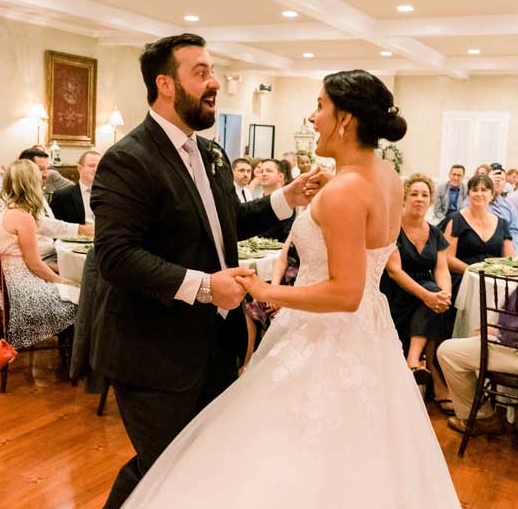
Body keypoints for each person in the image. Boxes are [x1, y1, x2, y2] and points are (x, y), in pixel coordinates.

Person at [121, 69, 460, 508]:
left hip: (323, 338)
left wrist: (264, 290)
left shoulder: (345, 192)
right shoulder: (386, 178)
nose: (312, 117)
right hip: (368, 338)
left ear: (345, 119)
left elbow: (345, 292)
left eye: (320, 106)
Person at [90, 33, 321, 508]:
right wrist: (204, 287)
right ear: (166, 85)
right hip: (152, 351)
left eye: (212, 70)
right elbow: (116, 256)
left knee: (201, 465)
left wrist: (286, 198)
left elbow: (223, 225)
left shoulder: (209, 153)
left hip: (214, 346)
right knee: (163, 468)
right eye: (201, 72)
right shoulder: (129, 159)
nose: (214, 82)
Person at [381, 173, 454, 413]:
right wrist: (430, 296)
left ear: (431, 200)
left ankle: (413, 362)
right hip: (396, 293)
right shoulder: (391, 228)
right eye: (414, 194)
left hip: (426, 297)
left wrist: (445, 295)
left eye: (424, 195)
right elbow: (394, 271)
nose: (419, 199)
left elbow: (442, 270)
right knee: (432, 300)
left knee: (437, 299)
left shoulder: (435, 234)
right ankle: (428, 372)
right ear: (404, 198)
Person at [0, 159, 77, 349]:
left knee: (74, 289)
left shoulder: (6, 211)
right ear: (31, 184)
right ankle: (78, 358)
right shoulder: (23, 217)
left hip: (10, 287)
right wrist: (62, 281)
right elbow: (35, 265)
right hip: (23, 293)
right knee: (82, 298)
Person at [444, 174, 514, 301]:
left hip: (495, 281)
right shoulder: (456, 219)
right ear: (468, 194)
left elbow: (509, 259)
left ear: (492, 195)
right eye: (475, 190)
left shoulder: (502, 223)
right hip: (464, 279)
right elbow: (447, 258)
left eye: (484, 190)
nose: (479, 194)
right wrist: (475, 271)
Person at [50, 151, 100, 224]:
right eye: (91, 166)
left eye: (99, 166)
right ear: (80, 168)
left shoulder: (109, 194)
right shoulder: (63, 196)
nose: (96, 170)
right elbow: (55, 227)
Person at [257, 159, 296, 242]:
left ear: (280, 177)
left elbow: (288, 236)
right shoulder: (257, 200)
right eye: (261, 171)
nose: (264, 174)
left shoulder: (286, 201)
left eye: (269, 171)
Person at [433, 164, 466, 229]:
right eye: (454, 174)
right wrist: (445, 221)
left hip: (459, 219)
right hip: (443, 217)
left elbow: (465, 210)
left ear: (463, 177)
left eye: (459, 175)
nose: (456, 178)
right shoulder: (440, 188)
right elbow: (437, 211)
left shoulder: (466, 190)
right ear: (449, 175)